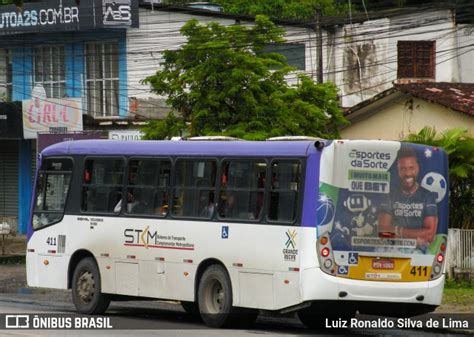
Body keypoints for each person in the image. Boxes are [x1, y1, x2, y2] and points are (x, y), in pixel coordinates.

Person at [378, 147, 438, 251]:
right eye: (403, 168)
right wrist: (416, 237)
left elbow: (429, 235)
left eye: (411, 168)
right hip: (390, 251)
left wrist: (398, 231)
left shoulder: (427, 197)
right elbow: (382, 231)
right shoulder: (390, 195)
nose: (408, 173)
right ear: (398, 170)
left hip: (418, 254)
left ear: (417, 168)